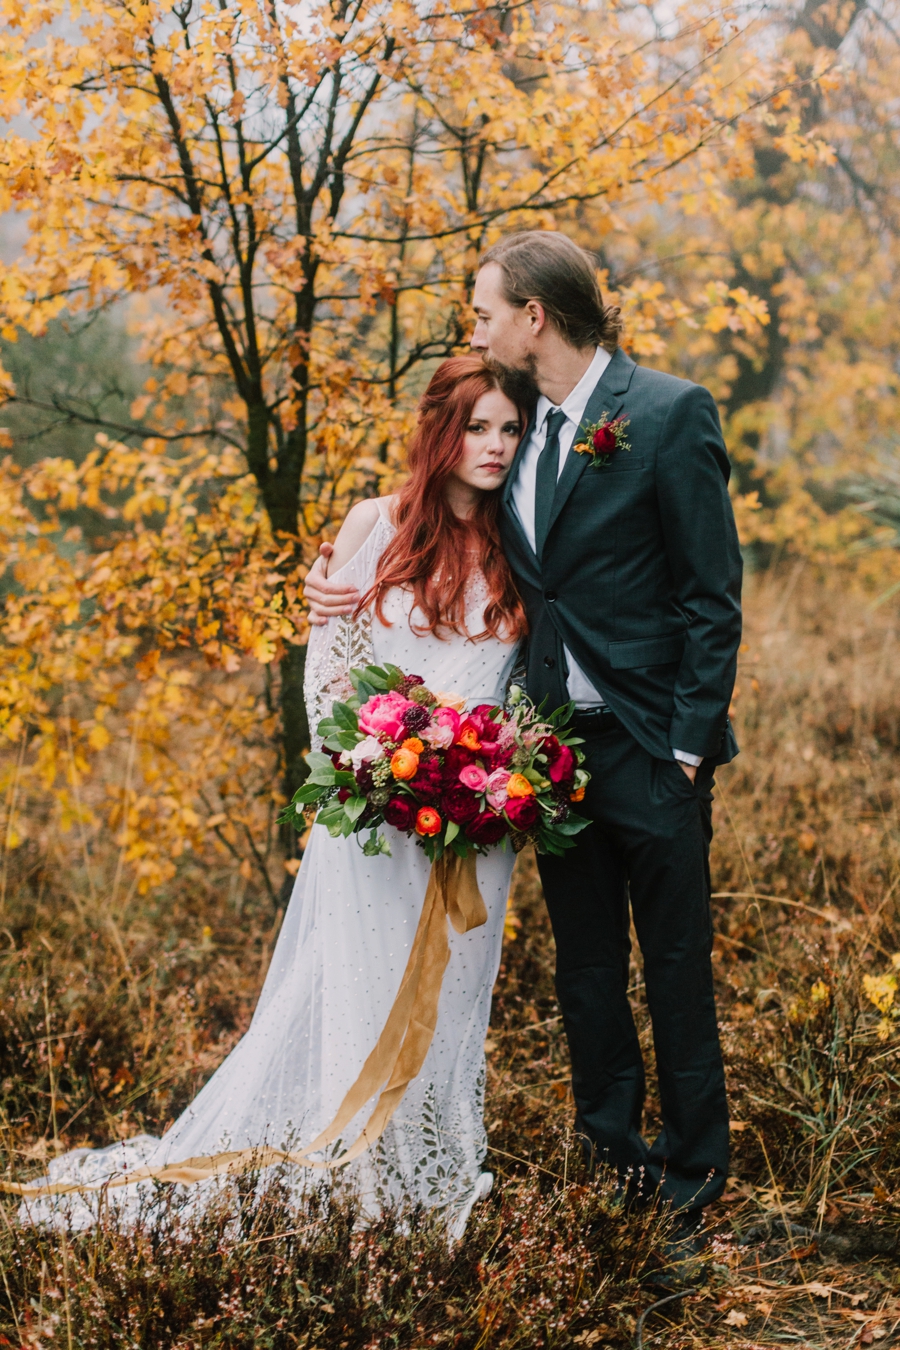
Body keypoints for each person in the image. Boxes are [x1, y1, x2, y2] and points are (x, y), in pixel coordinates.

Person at [15, 356, 528, 1239]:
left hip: (472, 826)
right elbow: (328, 669)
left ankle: (428, 1168)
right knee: (358, 986)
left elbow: (518, 685)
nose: (493, 446)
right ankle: (357, 1184)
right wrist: (375, 763)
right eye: (477, 427)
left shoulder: (523, 540)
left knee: (451, 998)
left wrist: (497, 770)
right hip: (376, 813)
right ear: (440, 432)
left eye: (509, 429)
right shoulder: (377, 524)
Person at [305, 231, 742, 1250]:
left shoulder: (668, 415)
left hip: (652, 746)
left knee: (674, 960)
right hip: (551, 757)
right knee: (586, 967)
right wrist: (339, 585)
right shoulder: (523, 431)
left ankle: (693, 1170)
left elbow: (712, 598)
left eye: (485, 309)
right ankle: (613, 1155)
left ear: (533, 314)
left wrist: (686, 747)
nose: (478, 325)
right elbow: (452, 544)